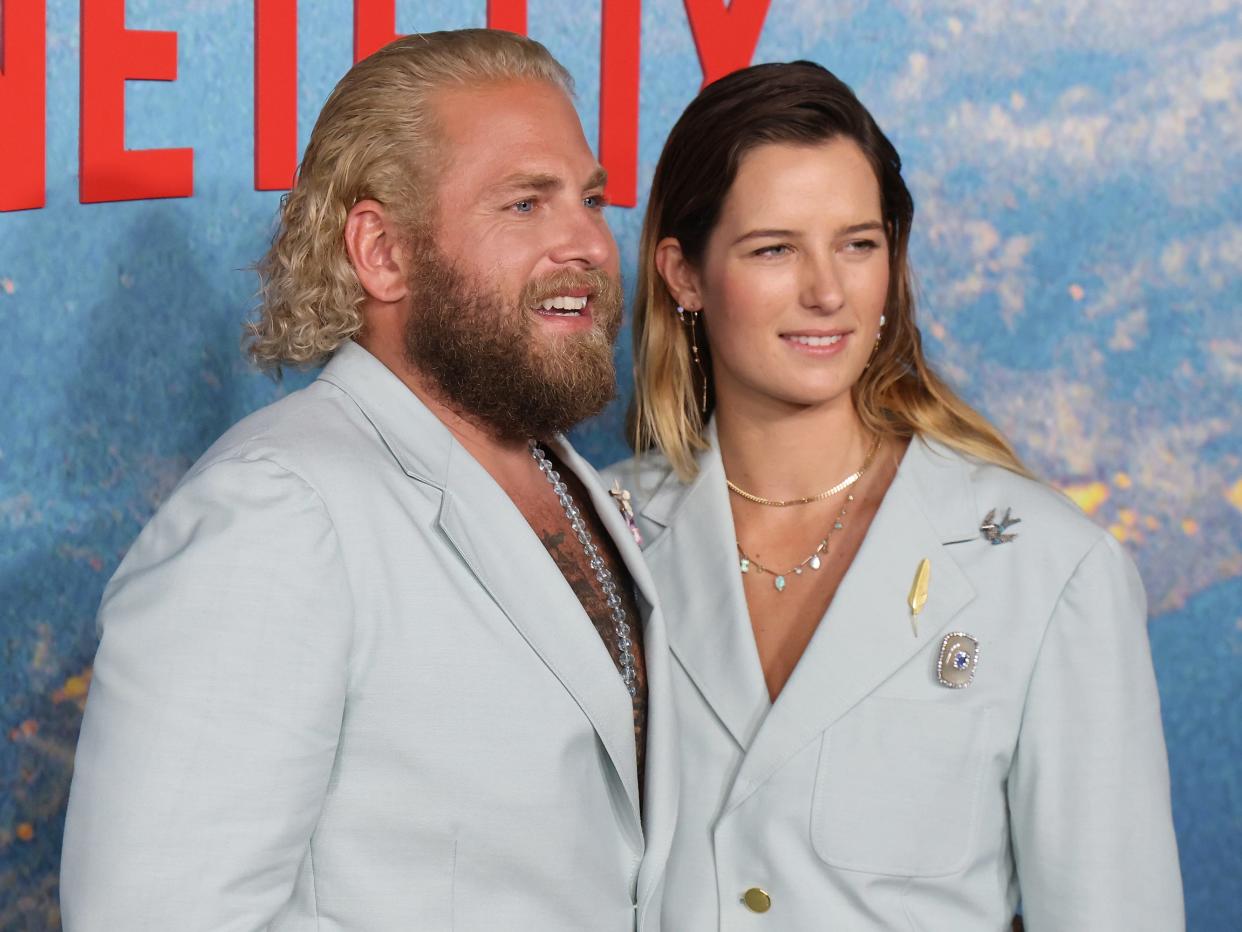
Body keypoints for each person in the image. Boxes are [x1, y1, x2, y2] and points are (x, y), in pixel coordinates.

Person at [61, 30, 677, 931]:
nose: (586, 240)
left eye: (589, 198)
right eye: (523, 205)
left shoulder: (573, 479)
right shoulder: (277, 511)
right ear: (381, 251)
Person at [603, 61, 1183, 930]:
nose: (827, 290)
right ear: (683, 275)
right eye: (774, 248)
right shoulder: (591, 538)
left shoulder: (1048, 571)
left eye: (857, 243)